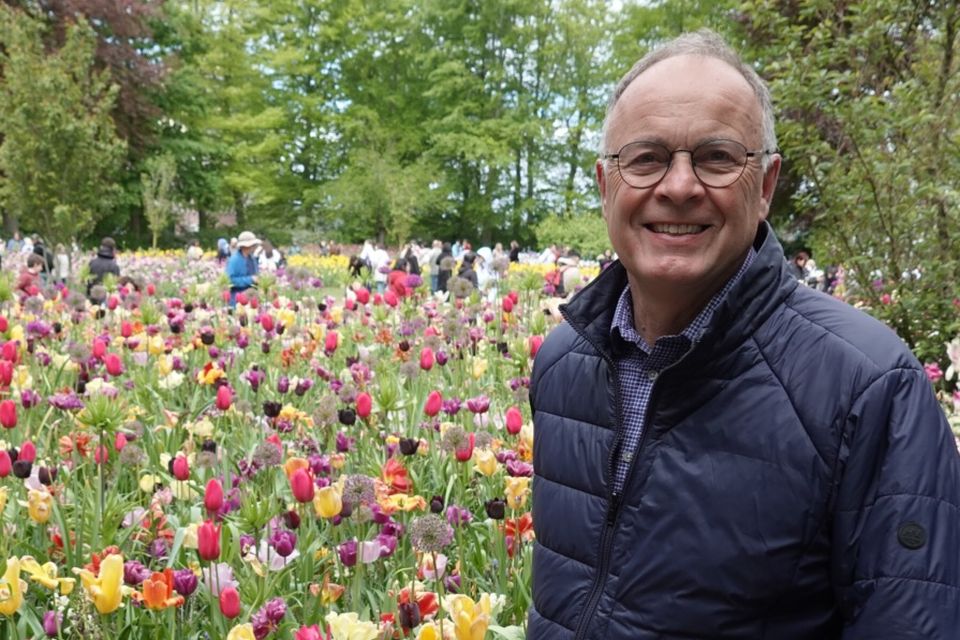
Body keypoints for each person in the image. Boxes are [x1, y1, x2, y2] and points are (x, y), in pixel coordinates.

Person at [528, 29, 960, 640]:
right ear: (605, 185)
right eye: (646, 158)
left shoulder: (867, 388)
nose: (678, 187)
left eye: (717, 158)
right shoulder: (564, 360)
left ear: (764, 187)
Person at [226, 231, 260, 306]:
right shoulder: (234, 260)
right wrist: (250, 279)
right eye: (252, 245)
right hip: (238, 299)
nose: (254, 247)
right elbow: (231, 280)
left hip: (252, 296)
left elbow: (256, 274)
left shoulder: (252, 259)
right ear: (246, 246)